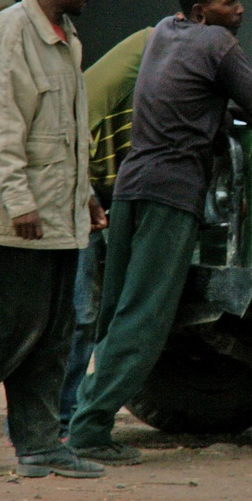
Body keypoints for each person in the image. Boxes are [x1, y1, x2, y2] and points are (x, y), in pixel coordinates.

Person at [67, 0, 252, 465]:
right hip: (171, 193)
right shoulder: (217, 45)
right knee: (144, 319)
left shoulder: (164, 31)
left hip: (129, 186)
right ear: (200, 12)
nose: (239, 10)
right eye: (229, 3)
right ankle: (89, 431)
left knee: (117, 308)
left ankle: (82, 412)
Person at [0, 0, 107, 478]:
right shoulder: (12, 30)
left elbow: (68, 134)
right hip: (25, 215)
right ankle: (38, 442)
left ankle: (41, 445)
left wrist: (88, 196)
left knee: (51, 335)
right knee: (10, 334)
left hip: (61, 214)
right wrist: (18, 200)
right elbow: (0, 125)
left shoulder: (66, 39)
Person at [59, 27, 153, 438]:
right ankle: (59, 417)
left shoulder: (149, 55)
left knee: (90, 313)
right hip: (76, 190)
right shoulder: (152, 48)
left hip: (103, 191)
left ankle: (72, 413)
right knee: (77, 314)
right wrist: (85, 194)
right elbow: (72, 132)